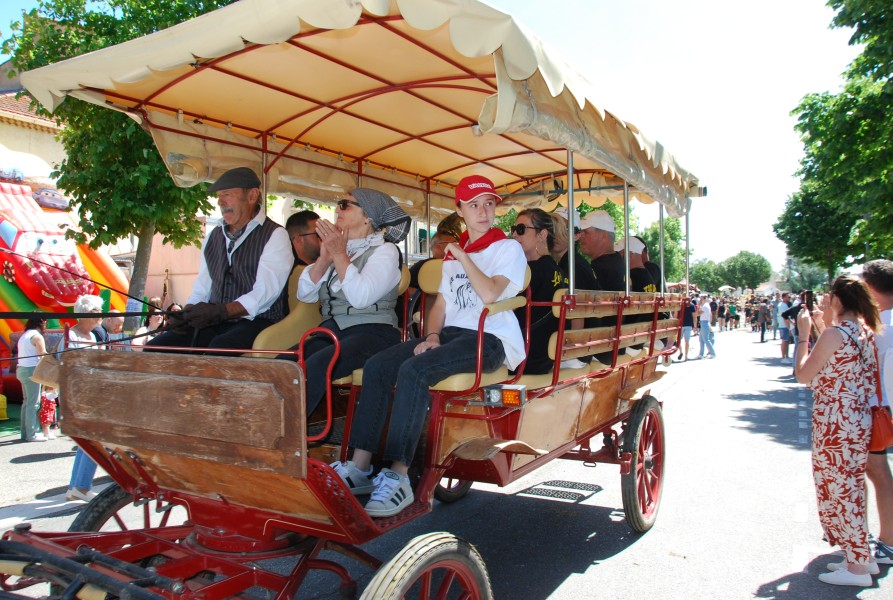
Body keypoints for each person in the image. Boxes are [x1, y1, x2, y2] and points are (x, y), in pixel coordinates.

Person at [332, 174, 526, 517]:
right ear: (461, 210)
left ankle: (399, 476)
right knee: (378, 366)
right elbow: (439, 306)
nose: (483, 212)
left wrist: (463, 258)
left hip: (491, 339)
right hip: (453, 335)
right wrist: (433, 336)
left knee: (414, 371)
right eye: (474, 205)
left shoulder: (506, 248)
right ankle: (360, 467)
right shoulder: (455, 256)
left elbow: (491, 293)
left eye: (489, 204)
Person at [283, 188, 411, 417]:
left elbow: (361, 297)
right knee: (283, 365)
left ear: (367, 217)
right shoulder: (339, 248)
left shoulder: (385, 251)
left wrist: (339, 255)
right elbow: (305, 294)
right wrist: (324, 259)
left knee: (316, 366)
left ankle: (289, 439)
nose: (337, 209)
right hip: (333, 331)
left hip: (374, 333)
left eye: (346, 204)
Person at [794, 275, 881, 586]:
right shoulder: (863, 330)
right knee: (851, 487)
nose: (826, 300)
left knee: (840, 489)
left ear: (839, 301)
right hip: (856, 420)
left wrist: (804, 335)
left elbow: (804, 375)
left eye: (830, 296)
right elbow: (838, 360)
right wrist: (820, 327)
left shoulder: (835, 334)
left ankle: (857, 567)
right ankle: (861, 557)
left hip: (836, 422)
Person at [148, 167, 293, 351]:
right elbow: (202, 287)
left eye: (227, 194)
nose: (220, 202)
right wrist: (187, 313)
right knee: (158, 347)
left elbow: (264, 294)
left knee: (219, 348)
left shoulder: (275, 234)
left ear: (252, 195)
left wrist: (222, 311)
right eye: (219, 196)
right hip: (216, 321)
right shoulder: (214, 235)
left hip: (258, 321)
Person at [861, 259, 893, 567]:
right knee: (877, 472)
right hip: (882, 409)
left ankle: (888, 541)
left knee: (879, 473)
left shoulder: (882, 327)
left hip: (879, 411)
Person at [511, 208, 567, 374]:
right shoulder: (559, 272)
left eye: (521, 230)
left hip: (523, 358)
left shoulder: (531, 272)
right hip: (543, 358)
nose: (514, 235)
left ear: (542, 235)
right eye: (513, 230)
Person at [65, 294, 105, 502]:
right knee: (93, 439)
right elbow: (74, 367)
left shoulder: (93, 336)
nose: (100, 315)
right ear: (83, 314)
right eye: (96, 312)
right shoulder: (73, 336)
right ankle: (80, 486)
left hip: (92, 392)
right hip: (81, 394)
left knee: (87, 440)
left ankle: (77, 486)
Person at [550, 210, 600, 292]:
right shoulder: (565, 263)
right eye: (553, 228)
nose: (556, 235)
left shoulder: (576, 267)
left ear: (577, 235)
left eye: (564, 229)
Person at [15, 318, 47, 442]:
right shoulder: (37, 336)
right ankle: (32, 434)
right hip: (31, 370)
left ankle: (25, 432)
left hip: (21, 369)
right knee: (34, 403)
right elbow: (42, 355)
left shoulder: (24, 335)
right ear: (42, 323)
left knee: (27, 402)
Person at [577, 210, 625, 291]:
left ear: (604, 235)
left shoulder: (603, 269)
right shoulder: (616, 262)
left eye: (585, 232)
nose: (580, 235)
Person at [695, 294, 716, 359]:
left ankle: (712, 353)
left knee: (706, 339)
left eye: (701, 298)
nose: (700, 300)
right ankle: (701, 354)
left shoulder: (705, 306)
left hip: (704, 323)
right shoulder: (707, 305)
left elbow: (697, 314)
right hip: (704, 322)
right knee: (701, 340)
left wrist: (698, 306)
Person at [678, 295, 696, 361]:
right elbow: (694, 316)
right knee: (687, 341)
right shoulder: (691, 305)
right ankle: (686, 356)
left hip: (681, 325)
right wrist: (695, 326)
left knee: (678, 341)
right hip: (688, 325)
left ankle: (681, 352)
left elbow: (676, 314)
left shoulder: (680, 304)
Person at [778, 292, 792, 363]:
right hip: (784, 325)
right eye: (787, 297)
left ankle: (786, 356)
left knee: (787, 341)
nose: (788, 298)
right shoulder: (783, 306)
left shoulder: (785, 305)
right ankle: (784, 357)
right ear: (783, 297)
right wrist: (788, 326)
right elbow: (785, 317)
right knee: (784, 341)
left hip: (784, 325)